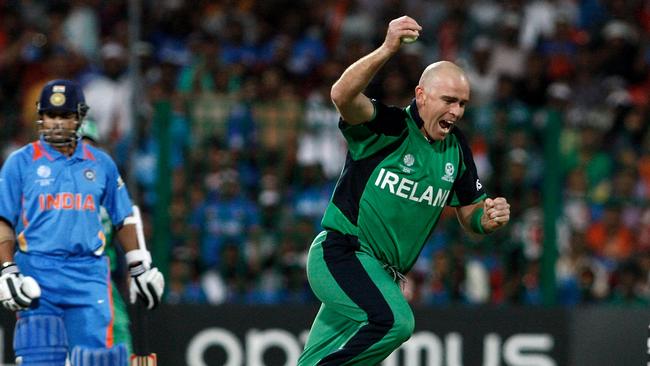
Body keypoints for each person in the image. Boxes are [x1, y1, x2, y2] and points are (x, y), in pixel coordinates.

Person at [297, 16, 511, 365]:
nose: (456, 111)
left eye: (463, 103)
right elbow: (341, 94)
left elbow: (470, 212)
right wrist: (386, 49)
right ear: (421, 96)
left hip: (380, 275)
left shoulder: (456, 149)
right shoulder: (389, 126)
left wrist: (485, 219)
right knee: (394, 322)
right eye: (448, 100)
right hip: (342, 255)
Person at [0, 79, 164, 366]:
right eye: (51, 115)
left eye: (65, 116)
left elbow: (123, 217)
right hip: (38, 272)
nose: (57, 123)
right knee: (40, 359)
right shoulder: (20, 163)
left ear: (79, 116)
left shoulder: (101, 163)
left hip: (89, 275)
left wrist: (139, 264)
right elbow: (3, 220)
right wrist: (7, 269)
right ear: (41, 115)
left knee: (98, 360)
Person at [78, 119, 134, 355]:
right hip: (60, 275)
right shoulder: (54, 185)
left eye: (92, 145)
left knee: (119, 330)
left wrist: (136, 265)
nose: (86, 151)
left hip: (101, 277)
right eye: (81, 144)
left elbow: (127, 223)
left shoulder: (106, 183)